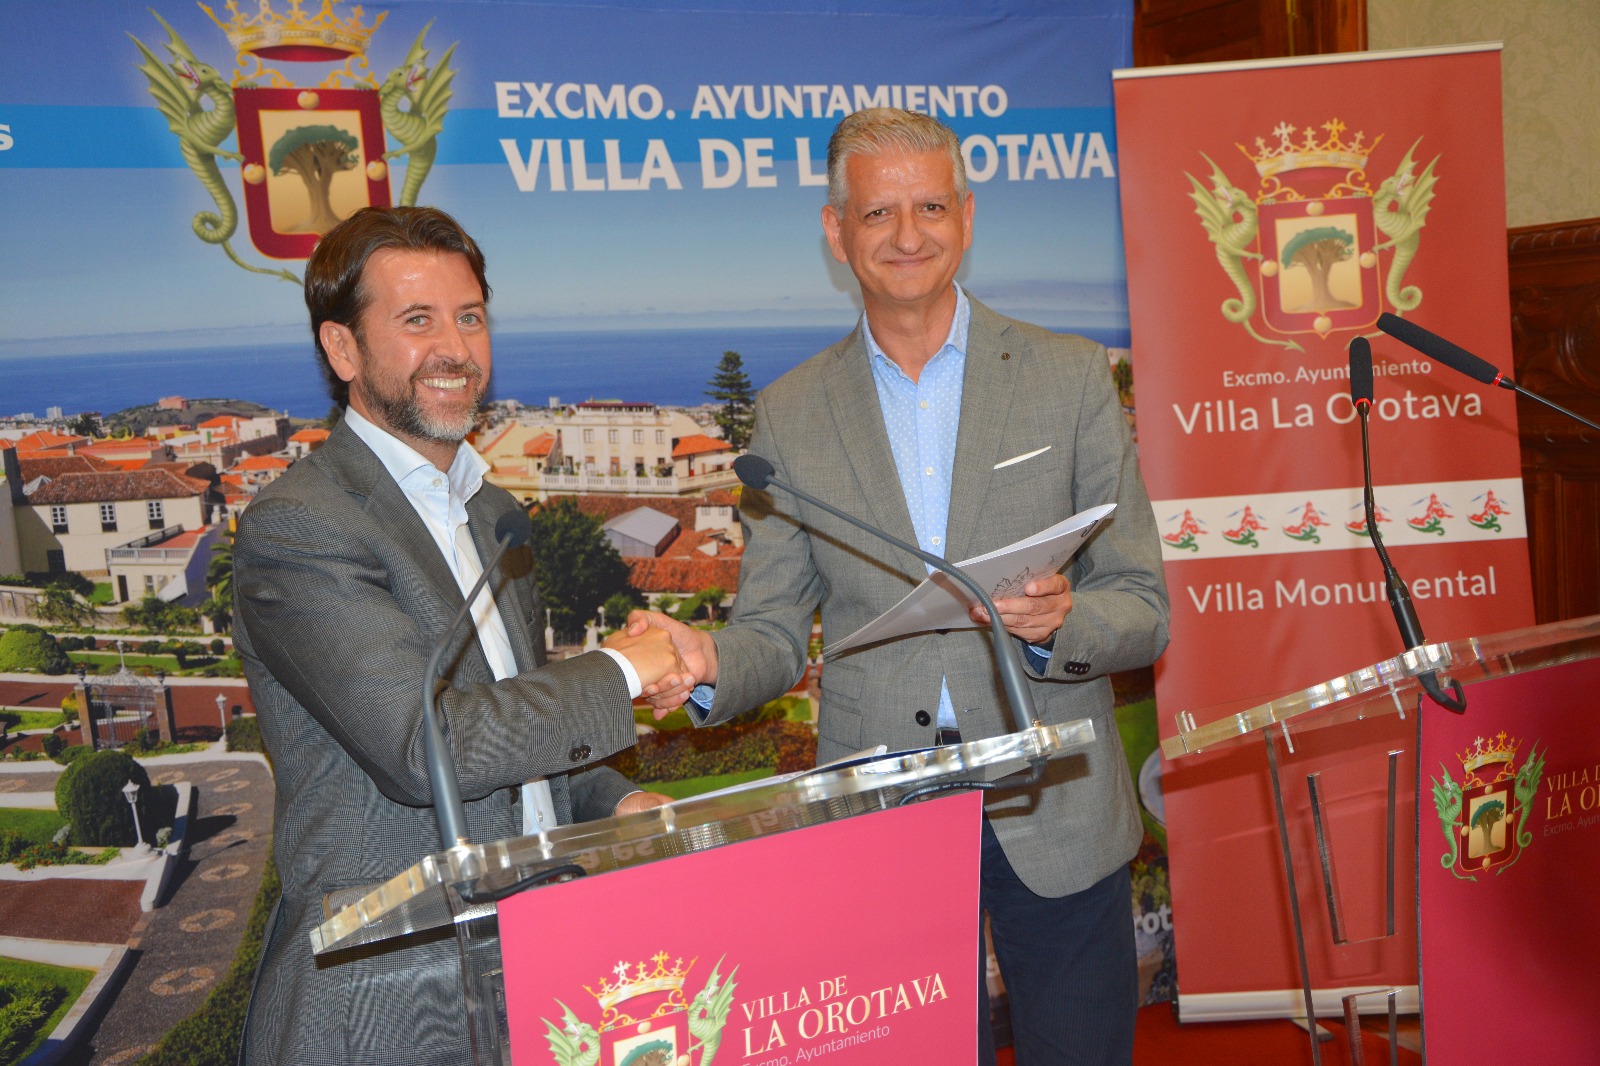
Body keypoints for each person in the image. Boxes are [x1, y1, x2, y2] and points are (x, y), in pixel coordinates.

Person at [632, 109, 1170, 1065]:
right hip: (880, 815)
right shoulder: (791, 413)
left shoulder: (1071, 377)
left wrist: (1063, 623)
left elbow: (1142, 603)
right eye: (878, 213)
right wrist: (709, 659)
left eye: (930, 207)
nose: (908, 235)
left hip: (1060, 802)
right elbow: (771, 630)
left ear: (967, 216)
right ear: (837, 232)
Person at [233, 206, 690, 1064]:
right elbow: (426, 749)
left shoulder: (492, 512)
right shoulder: (300, 527)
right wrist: (622, 671)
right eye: (418, 320)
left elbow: (512, 723)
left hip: (538, 973)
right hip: (389, 1003)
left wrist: (613, 803)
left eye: (470, 317)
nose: (456, 349)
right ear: (342, 349)